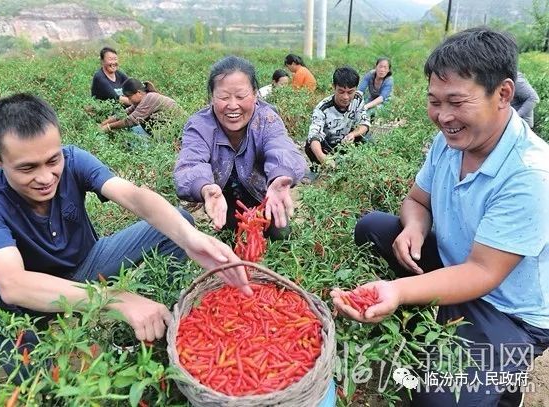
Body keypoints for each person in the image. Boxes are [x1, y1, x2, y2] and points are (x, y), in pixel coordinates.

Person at [0, 93, 250, 381]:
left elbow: (133, 197)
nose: (46, 177)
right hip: (33, 295)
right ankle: (40, 379)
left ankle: (153, 323)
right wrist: (116, 298)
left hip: (87, 266)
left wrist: (190, 238)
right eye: (27, 168)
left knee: (178, 223)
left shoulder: (73, 160)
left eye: (52, 160)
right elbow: (14, 284)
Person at [332, 28, 549, 407]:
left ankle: (500, 380)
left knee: (437, 400)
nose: (443, 116)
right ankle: (426, 321)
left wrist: (395, 292)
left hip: (507, 309)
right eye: (434, 101)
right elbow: (416, 200)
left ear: (503, 94)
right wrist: (415, 226)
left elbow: (483, 272)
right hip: (457, 262)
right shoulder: (452, 139)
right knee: (374, 228)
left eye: (456, 102)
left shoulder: (530, 173)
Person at [173, 56, 306, 240]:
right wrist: (205, 187)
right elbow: (190, 163)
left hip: (265, 195)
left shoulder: (266, 119)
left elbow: (281, 147)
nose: (233, 105)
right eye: (223, 97)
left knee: (281, 236)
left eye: (241, 96)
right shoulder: (200, 125)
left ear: (255, 94)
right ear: (212, 97)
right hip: (223, 200)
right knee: (229, 239)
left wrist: (281, 174)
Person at [304, 66, 370, 169]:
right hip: (327, 146)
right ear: (334, 87)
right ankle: (320, 167)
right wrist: (324, 159)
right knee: (310, 145)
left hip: (346, 143)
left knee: (367, 138)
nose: (345, 97)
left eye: (350, 92)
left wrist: (353, 134)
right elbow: (314, 136)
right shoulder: (322, 108)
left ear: (356, 89)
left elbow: (364, 123)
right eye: (341, 91)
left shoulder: (358, 99)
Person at [100, 78, 179, 136]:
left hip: (179, 130)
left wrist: (108, 127)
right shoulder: (141, 100)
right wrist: (103, 123)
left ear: (138, 92)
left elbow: (130, 121)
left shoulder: (150, 98)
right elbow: (125, 113)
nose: (129, 100)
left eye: (129, 97)